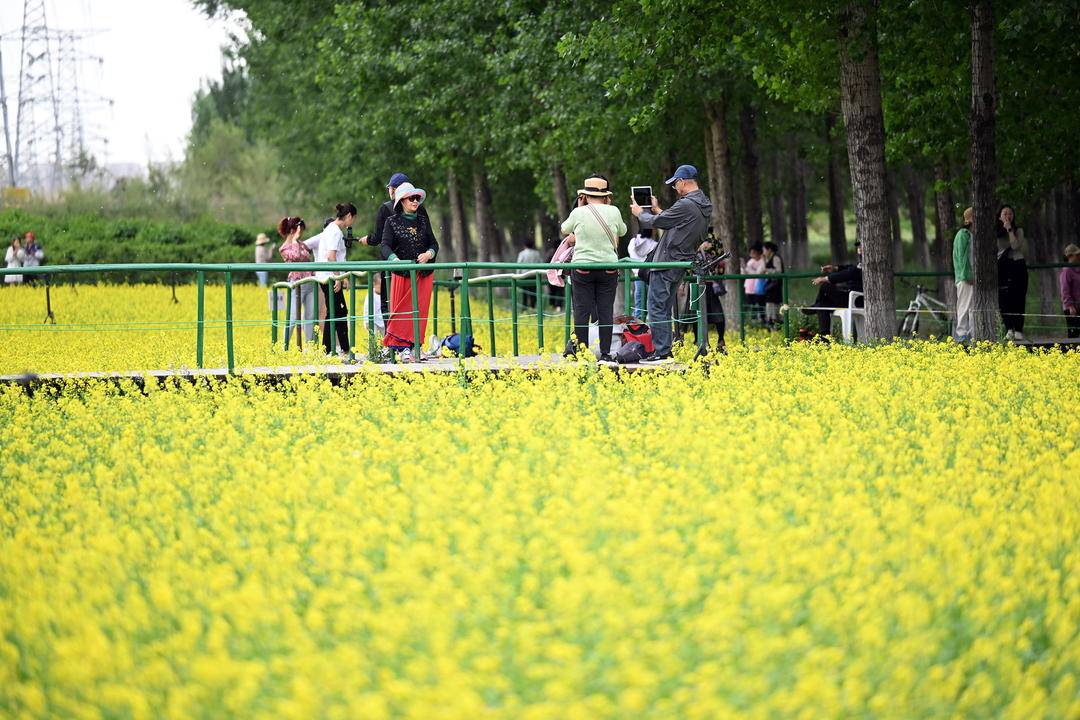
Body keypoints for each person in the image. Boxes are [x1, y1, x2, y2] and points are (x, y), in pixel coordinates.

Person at [630, 164, 713, 364]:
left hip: (666, 262)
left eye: (675, 185)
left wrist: (640, 213)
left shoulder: (685, 204)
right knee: (664, 307)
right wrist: (659, 210)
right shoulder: (704, 204)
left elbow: (656, 222)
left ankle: (662, 353)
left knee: (656, 306)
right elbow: (677, 221)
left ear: (682, 182)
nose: (675, 189)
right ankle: (664, 350)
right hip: (680, 262)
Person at [561, 175, 627, 361]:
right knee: (605, 311)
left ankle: (582, 352)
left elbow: (565, 229)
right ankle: (605, 353)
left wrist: (580, 208)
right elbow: (622, 231)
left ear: (584, 195)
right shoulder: (614, 211)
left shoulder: (578, 212)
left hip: (583, 267)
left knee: (582, 311)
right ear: (606, 196)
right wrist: (610, 207)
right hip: (608, 268)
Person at [362, 172, 432, 321]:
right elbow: (426, 238)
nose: (414, 201)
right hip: (417, 266)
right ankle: (408, 340)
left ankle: (391, 337)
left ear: (393, 190)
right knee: (413, 306)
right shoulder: (421, 209)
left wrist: (367, 239)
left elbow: (379, 239)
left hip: (392, 266)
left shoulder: (385, 209)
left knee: (389, 303)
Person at [381, 183, 439, 361]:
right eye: (411, 198)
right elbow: (384, 246)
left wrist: (429, 254)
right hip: (402, 274)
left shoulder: (422, 220)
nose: (415, 201)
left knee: (420, 311)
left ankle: (416, 346)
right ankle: (401, 349)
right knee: (401, 311)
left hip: (423, 274)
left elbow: (434, 244)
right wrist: (395, 260)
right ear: (401, 201)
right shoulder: (391, 221)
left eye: (417, 198)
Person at [313, 202, 356, 357]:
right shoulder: (335, 231)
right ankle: (329, 349)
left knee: (339, 311)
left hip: (327, 276)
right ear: (349, 215)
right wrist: (338, 277)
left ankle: (342, 349)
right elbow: (331, 256)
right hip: (330, 277)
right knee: (335, 312)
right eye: (353, 219)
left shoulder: (330, 228)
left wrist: (342, 276)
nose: (353, 223)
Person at [804, 242, 864, 337]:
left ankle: (815, 306)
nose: (859, 248)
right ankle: (825, 337)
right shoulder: (861, 262)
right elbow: (850, 268)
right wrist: (835, 268)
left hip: (857, 300)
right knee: (822, 305)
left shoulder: (868, 261)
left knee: (825, 286)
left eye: (861, 246)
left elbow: (850, 273)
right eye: (858, 246)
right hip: (849, 297)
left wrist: (825, 279)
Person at [276, 216, 317, 347]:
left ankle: (310, 347)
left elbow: (308, 258)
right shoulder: (284, 248)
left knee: (310, 317)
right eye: (300, 230)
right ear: (294, 230)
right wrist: (294, 240)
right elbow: (295, 256)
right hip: (296, 284)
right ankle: (284, 347)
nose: (301, 234)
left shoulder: (302, 244)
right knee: (293, 317)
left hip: (310, 283)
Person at [996, 204, 1028, 341]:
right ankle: (1008, 327)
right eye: (1005, 214)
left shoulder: (1018, 230)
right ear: (999, 217)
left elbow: (1015, 246)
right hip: (1003, 267)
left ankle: (1019, 329)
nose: (1007, 216)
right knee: (1004, 298)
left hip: (1017, 266)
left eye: (1010, 214)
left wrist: (1009, 230)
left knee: (1018, 298)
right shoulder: (995, 232)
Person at [953, 207, 975, 342]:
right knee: (964, 306)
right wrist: (967, 276)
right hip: (965, 277)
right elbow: (962, 257)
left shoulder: (971, 235)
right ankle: (961, 335)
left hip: (971, 277)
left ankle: (973, 335)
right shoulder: (963, 234)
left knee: (973, 308)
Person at [627, 222, 658, 319]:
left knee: (639, 305)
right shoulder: (655, 245)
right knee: (652, 304)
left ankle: (638, 330)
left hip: (637, 276)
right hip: (650, 277)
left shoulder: (633, 242)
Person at [762, 241, 785, 330]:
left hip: (775, 287)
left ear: (769, 250)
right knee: (769, 305)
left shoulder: (776, 258)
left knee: (775, 306)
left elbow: (778, 271)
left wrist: (767, 270)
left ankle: (776, 326)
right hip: (770, 287)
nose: (763, 252)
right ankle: (771, 325)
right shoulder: (768, 258)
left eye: (764, 250)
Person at [742, 243, 766, 325]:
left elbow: (757, 273)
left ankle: (761, 320)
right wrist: (744, 268)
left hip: (758, 287)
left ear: (758, 252)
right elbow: (745, 273)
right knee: (751, 304)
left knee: (759, 304)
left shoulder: (762, 261)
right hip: (749, 287)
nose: (751, 254)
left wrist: (748, 269)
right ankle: (753, 320)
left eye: (753, 252)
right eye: (751, 252)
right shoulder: (750, 262)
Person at [516, 238, 543, 309]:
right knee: (533, 293)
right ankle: (533, 307)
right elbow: (540, 263)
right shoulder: (536, 253)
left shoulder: (522, 254)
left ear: (524, 245)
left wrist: (517, 276)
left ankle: (524, 308)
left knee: (525, 293)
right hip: (534, 275)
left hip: (524, 276)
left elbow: (519, 265)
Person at [1061, 243, 1080, 339]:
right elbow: (1065, 291)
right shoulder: (1066, 271)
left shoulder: (1077, 269)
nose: (1078, 256)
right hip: (1071, 308)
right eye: (1076, 255)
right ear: (1070, 256)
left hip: (1079, 305)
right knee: (1073, 333)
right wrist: (1070, 306)